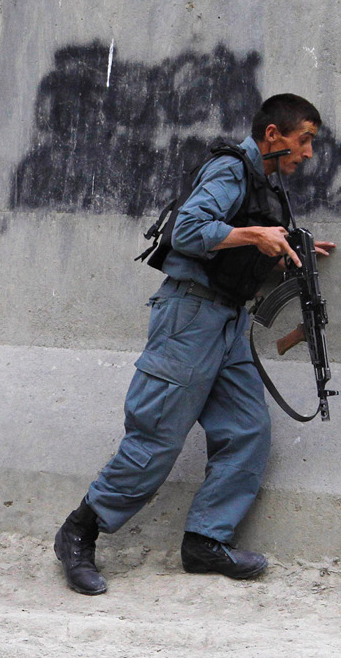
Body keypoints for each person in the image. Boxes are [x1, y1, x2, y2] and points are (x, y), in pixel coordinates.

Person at [54, 93, 332, 595]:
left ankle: (205, 540)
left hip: (227, 322)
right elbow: (188, 230)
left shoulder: (266, 184)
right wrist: (255, 237)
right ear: (274, 135)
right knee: (156, 439)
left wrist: (290, 246)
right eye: (304, 140)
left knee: (246, 431)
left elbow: (245, 243)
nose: (309, 153)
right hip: (189, 318)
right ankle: (79, 532)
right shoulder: (230, 170)